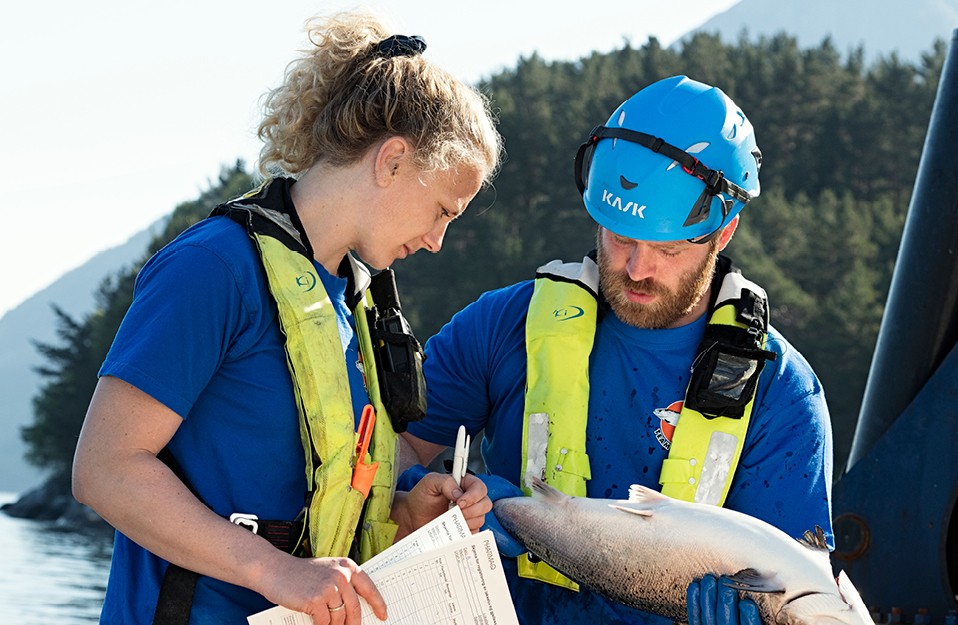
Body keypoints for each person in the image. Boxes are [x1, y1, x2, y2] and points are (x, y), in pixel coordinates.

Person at [72, 11, 503, 625]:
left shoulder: (357, 306)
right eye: (442, 210)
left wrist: (406, 513)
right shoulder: (212, 268)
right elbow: (104, 470)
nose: (437, 239)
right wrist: (274, 569)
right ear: (393, 161)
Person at [401, 75, 834, 625]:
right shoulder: (504, 325)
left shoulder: (783, 392)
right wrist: (423, 496)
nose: (637, 269)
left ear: (723, 233)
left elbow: (802, 595)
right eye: (620, 238)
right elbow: (394, 447)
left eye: (667, 249)